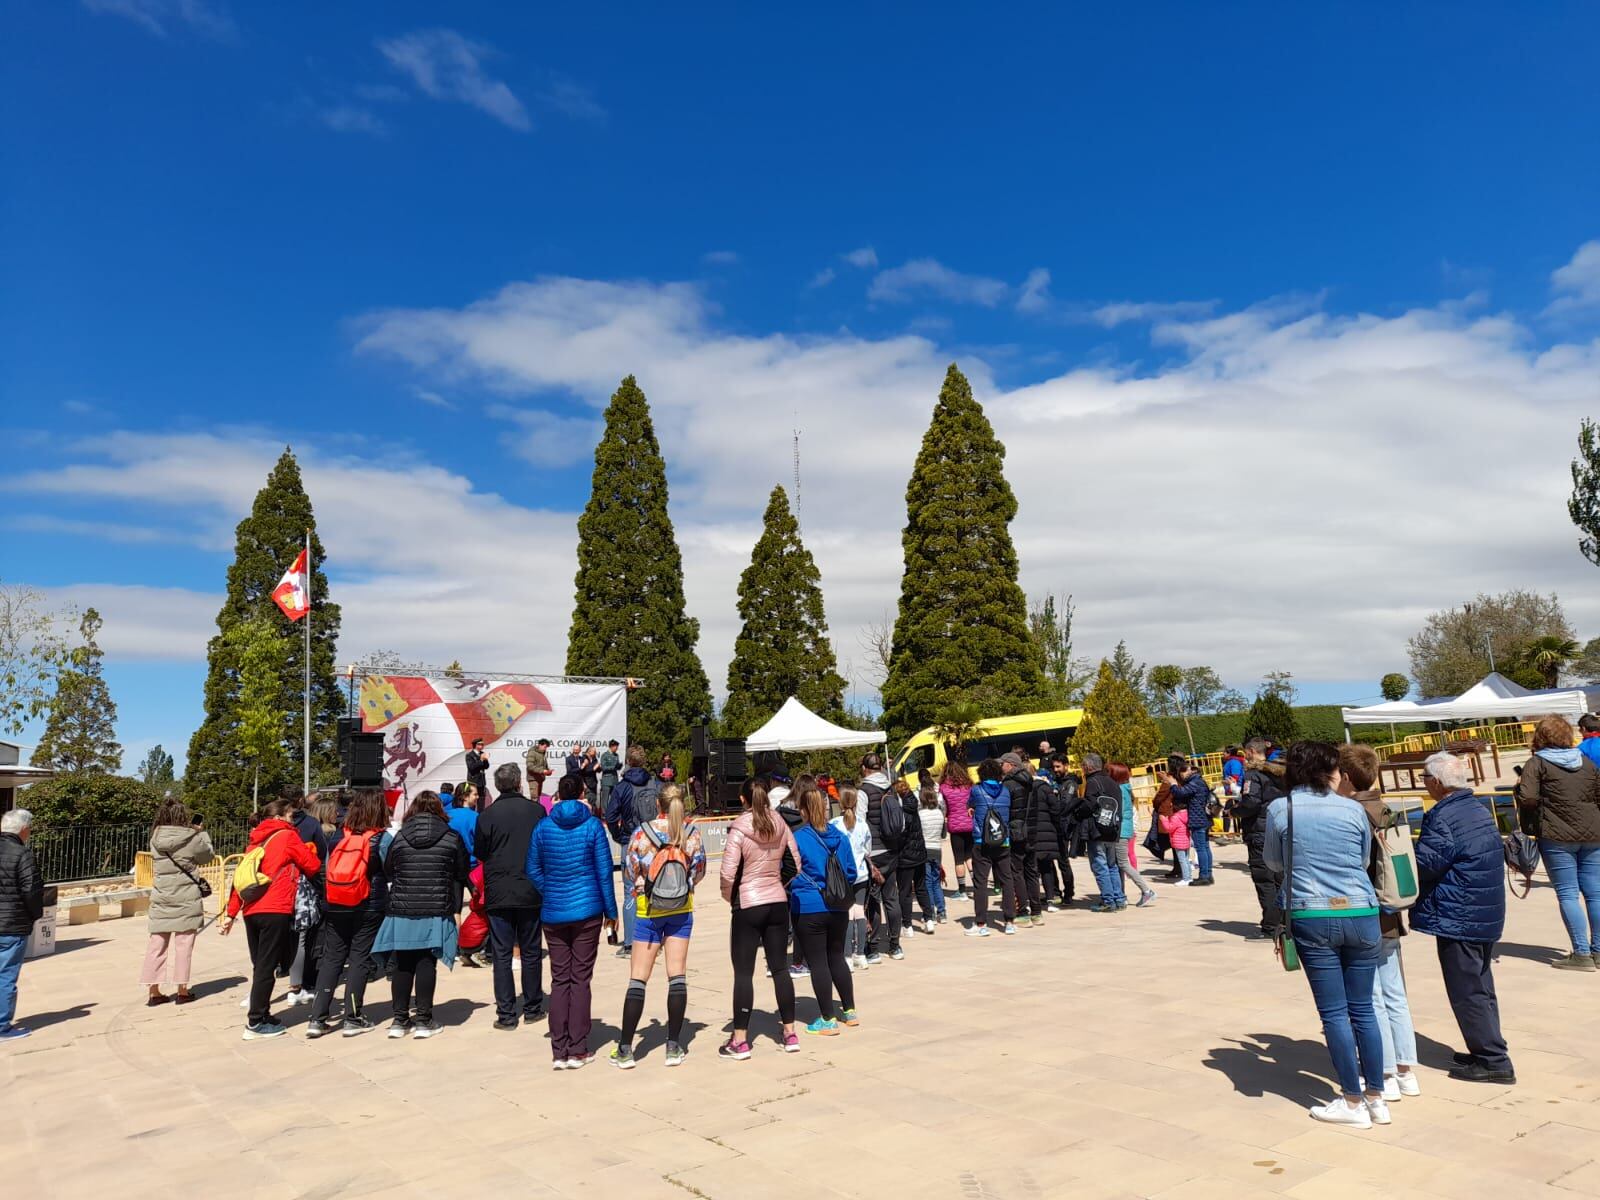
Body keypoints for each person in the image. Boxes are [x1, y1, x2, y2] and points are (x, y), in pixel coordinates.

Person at [1262, 740, 1388, 1129]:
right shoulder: (1353, 809)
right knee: (1363, 1008)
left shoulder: (1282, 809)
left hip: (1312, 913)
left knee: (1334, 1013)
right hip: (1361, 910)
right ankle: (1376, 1097)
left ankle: (1351, 1101)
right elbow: (1365, 859)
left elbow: (1272, 861)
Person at [1416, 751, 1516, 1084]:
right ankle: (1487, 1047)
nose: (1424, 785)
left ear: (1437, 782)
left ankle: (1493, 1060)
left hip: (1460, 913)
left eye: (1425, 779)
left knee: (1467, 989)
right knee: (1480, 985)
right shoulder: (1474, 807)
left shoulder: (1444, 816)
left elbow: (1426, 864)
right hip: (1480, 910)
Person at [1338, 743, 1420, 1101]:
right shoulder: (1388, 810)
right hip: (1391, 913)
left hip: (1366, 914)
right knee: (1395, 994)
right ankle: (1406, 1071)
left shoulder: (1349, 814)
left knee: (1370, 998)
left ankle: (1382, 1071)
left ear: (1344, 777)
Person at [610, 783, 706, 1068]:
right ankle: (674, 1045)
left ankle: (626, 1048)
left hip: (649, 910)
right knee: (677, 975)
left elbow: (630, 869)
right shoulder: (691, 834)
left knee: (638, 978)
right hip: (681, 909)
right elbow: (699, 870)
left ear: (657, 805)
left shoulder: (642, 833)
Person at [527, 774, 617, 1069]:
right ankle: (578, 1048)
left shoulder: (543, 827)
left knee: (559, 979)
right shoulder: (592, 826)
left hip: (554, 912)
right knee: (580, 978)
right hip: (586, 911)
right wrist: (611, 913)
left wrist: (550, 890)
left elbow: (532, 869)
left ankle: (559, 1049)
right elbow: (605, 873)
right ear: (581, 793)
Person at [222, 799, 322, 1041]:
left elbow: (241, 880)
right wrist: (308, 850)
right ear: (280, 817)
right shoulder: (288, 837)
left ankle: (264, 1013)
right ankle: (255, 1022)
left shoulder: (255, 842)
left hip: (252, 911)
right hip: (276, 908)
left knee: (262, 965)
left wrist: (230, 913)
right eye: (290, 816)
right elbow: (312, 866)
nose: (293, 820)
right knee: (271, 965)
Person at [373, 791, 469, 1040]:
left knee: (404, 964)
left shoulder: (401, 837)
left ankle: (399, 1019)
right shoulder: (451, 836)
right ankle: (424, 1020)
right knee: (427, 963)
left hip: (403, 907)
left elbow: (388, 869)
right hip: (435, 906)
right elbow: (461, 870)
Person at [719, 779, 801, 1057]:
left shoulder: (739, 828)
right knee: (780, 969)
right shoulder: (780, 823)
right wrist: (780, 883)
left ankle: (740, 1039)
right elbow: (794, 862)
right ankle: (790, 1033)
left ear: (743, 800)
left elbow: (728, 872)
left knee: (743, 972)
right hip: (777, 900)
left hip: (748, 902)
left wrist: (731, 897)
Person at [1514, 714, 1600, 970]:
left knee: (1568, 893)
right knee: (1595, 893)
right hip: (1594, 832)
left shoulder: (1537, 763)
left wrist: (1521, 791)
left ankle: (1581, 953)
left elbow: (1528, 798)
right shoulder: (1584, 762)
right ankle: (1598, 950)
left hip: (1556, 835)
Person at [468, 760, 547, 1027]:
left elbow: (479, 852)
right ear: (518, 783)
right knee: (531, 950)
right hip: (530, 889)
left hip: (499, 890)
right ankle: (534, 1007)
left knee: (501, 954)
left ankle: (506, 1014)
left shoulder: (487, 816)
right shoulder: (536, 812)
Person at [306, 789, 389, 1037]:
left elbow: (327, 867)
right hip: (368, 903)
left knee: (332, 958)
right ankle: (353, 1016)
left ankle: (317, 1017)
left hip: (336, 901)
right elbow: (391, 870)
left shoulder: (338, 835)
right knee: (359, 958)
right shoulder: (381, 838)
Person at [790, 781, 859, 1034]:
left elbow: (790, 872)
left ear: (805, 811)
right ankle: (849, 1010)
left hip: (809, 906)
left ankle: (827, 1018)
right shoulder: (840, 836)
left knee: (818, 961)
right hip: (838, 905)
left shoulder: (798, 838)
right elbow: (851, 871)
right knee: (837, 956)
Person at [144, 797, 215, 1007]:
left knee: (156, 944)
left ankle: (153, 991)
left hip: (162, 896)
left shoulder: (155, 837)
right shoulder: (192, 837)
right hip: (186, 897)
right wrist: (200, 832)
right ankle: (182, 990)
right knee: (184, 945)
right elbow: (207, 856)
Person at [605, 745, 658, 959]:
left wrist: (619, 836)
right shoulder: (654, 783)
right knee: (653, 888)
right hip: (654, 841)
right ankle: (654, 938)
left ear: (627, 761)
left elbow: (610, 816)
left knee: (630, 892)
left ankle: (629, 943)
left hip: (631, 841)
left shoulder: (622, 787)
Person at [0, 809, 44, 1042]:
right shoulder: (22, 854)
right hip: (11, 925)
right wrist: (34, 915)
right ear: (24, 829)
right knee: (5, 974)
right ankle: (2, 1026)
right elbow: (32, 890)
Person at [1236, 738, 1287, 937]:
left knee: (1264, 879)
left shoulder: (1253, 775)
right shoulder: (1278, 773)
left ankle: (1271, 926)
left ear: (1250, 751)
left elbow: (1251, 803)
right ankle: (1285, 920)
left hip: (1260, 831)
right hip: (1279, 828)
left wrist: (1234, 812)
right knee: (1280, 878)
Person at [859, 754, 905, 961]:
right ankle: (895, 945)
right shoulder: (891, 788)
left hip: (873, 853)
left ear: (864, 768)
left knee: (873, 899)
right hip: (891, 849)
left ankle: (874, 947)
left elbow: (860, 823)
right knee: (891, 898)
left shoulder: (864, 791)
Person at [966, 758, 1017, 937]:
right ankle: (1010, 921)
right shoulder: (1005, 791)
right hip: (1003, 841)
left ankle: (981, 923)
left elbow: (970, 807)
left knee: (980, 882)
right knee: (1007, 880)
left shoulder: (976, 790)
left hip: (982, 841)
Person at [1075, 754, 1127, 912]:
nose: (1082, 770)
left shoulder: (1092, 782)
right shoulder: (1112, 782)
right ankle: (1119, 899)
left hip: (1097, 831)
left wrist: (1077, 810)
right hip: (1112, 829)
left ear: (1089, 767)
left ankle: (1108, 900)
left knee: (1100, 866)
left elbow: (1090, 806)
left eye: (1083, 766)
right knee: (1112, 865)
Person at [1000, 753, 1044, 927]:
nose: (1001, 766)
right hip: (1031, 831)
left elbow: (1006, 810)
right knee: (1031, 871)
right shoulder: (1031, 782)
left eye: (1002, 763)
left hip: (1016, 832)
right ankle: (1037, 912)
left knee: (1016, 871)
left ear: (1010, 765)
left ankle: (1023, 912)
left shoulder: (1008, 785)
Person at [831, 785, 872, 968]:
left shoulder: (834, 824)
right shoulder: (863, 823)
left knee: (847, 915)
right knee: (859, 912)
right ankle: (860, 954)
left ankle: (847, 955)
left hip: (843, 875)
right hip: (861, 874)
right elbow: (868, 849)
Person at [1106, 763, 1156, 907]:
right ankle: (1120, 894)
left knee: (1123, 863)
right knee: (1118, 864)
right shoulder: (1124, 788)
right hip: (1123, 829)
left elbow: (1118, 811)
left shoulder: (1120, 790)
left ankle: (1146, 891)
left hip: (1121, 830)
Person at [894, 777, 935, 936]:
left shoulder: (903, 811)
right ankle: (929, 919)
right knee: (921, 887)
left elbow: (901, 835)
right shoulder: (914, 806)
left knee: (904, 892)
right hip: (919, 854)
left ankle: (907, 925)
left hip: (905, 856)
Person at [1169, 754, 1217, 885]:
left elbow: (1180, 793)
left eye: (1181, 774)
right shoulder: (1200, 781)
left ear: (1186, 772)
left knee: (1201, 848)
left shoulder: (1194, 782)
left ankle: (1204, 876)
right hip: (1204, 818)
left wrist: (1173, 785)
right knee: (1205, 847)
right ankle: (1208, 874)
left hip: (1198, 819)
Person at [939, 759, 975, 900]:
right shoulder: (968, 785)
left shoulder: (943, 788)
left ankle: (962, 890)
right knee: (969, 857)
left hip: (955, 825)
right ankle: (977, 885)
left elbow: (944, 807)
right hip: (969, 823)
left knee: (958, 859)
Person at [918, 783, 948, 923]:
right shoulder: (940, 814)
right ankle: (942, 911)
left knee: (927, 882)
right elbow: (943, 834)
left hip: (925, 849)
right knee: (936, 882)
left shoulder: (920, 814)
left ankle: (930, 912)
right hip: (937, 849)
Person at [440, 781, 478, 866]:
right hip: (470, 863)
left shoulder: (446, 815)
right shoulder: (475, 816)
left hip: (449, 862)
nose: (477, 797)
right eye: (475, 794)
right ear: (465, 797)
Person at [1159, 796, 1193, 883]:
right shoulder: (1187, 814)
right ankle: (1189, 877)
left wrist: (1164, 820)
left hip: (1178, 842)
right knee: (1186, 859)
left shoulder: (1176, 817)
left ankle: (1186, 878)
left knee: (1182, 861)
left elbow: (1169, 828)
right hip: (1186, 840)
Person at [523, 738, 551, 803]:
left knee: (538, 797)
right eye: (545, 747)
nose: (545, 749)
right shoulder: (532, 753)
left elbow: (543, 766)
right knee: (534, 798)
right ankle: (533, 812)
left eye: (546, 747)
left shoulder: (542, 753)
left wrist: (548, 771)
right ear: (539, 745)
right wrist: (542, 771)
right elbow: (530, 766)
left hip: (540, 778)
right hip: (533, 779)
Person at [466, 738, 492, 806]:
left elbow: (486, 767)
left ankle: (481, 814)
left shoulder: (482, 753)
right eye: (480, 744)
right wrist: (481, 760)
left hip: (482, 781)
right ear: (475, 745)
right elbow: (471, 767)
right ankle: (471, 814)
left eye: (483, 744)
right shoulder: (469, 755)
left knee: (481, 801)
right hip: (473, 781)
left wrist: (485, 759)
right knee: (472, 800)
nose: (482, 746)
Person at [598, 740, 621, 812]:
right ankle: (604, 814)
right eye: (616, 747)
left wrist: (619, 766)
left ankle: (612, 812)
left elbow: (616, 766)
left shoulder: (616, 755)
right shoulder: (605, 755)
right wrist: (613, 767)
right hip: (606, 780)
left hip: (614, 780)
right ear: (611, 746)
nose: (617, 748)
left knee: (614, 798)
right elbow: (603, 768)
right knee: (605, 799)